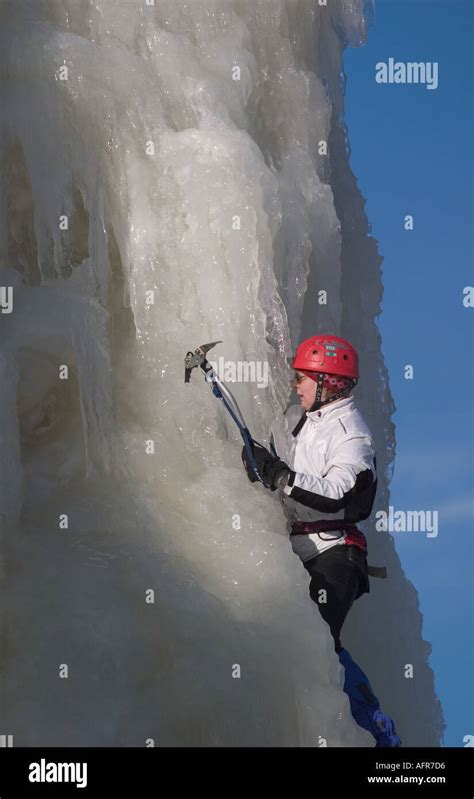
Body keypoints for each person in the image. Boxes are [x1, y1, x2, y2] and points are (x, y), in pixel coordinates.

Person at [241, 334, 401, 747]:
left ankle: (376, 732)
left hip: (336, 557)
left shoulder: (352, 434)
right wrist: (262, 465)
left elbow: (340, 495)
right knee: (312, 644)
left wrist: (282, 476)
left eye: (302, 378)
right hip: (308, 550)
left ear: (328, 382)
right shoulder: (313, 422)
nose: (296, 386)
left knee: (315, 648)